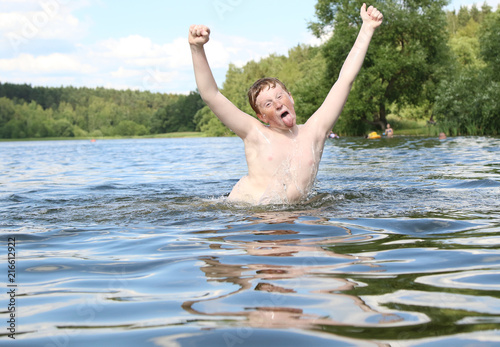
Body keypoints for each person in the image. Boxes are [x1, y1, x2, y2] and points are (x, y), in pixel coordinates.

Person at [189, 4, 383, 205]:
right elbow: (211, 95)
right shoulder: (255, 133)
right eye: (268, 104)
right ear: (261, 117)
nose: (278, 104)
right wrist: (197, 48)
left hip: (295, 217)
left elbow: (345, 80)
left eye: (280, 97)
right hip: (251, 217)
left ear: (291, 98)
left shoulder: (315, 132)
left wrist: (367, 28)